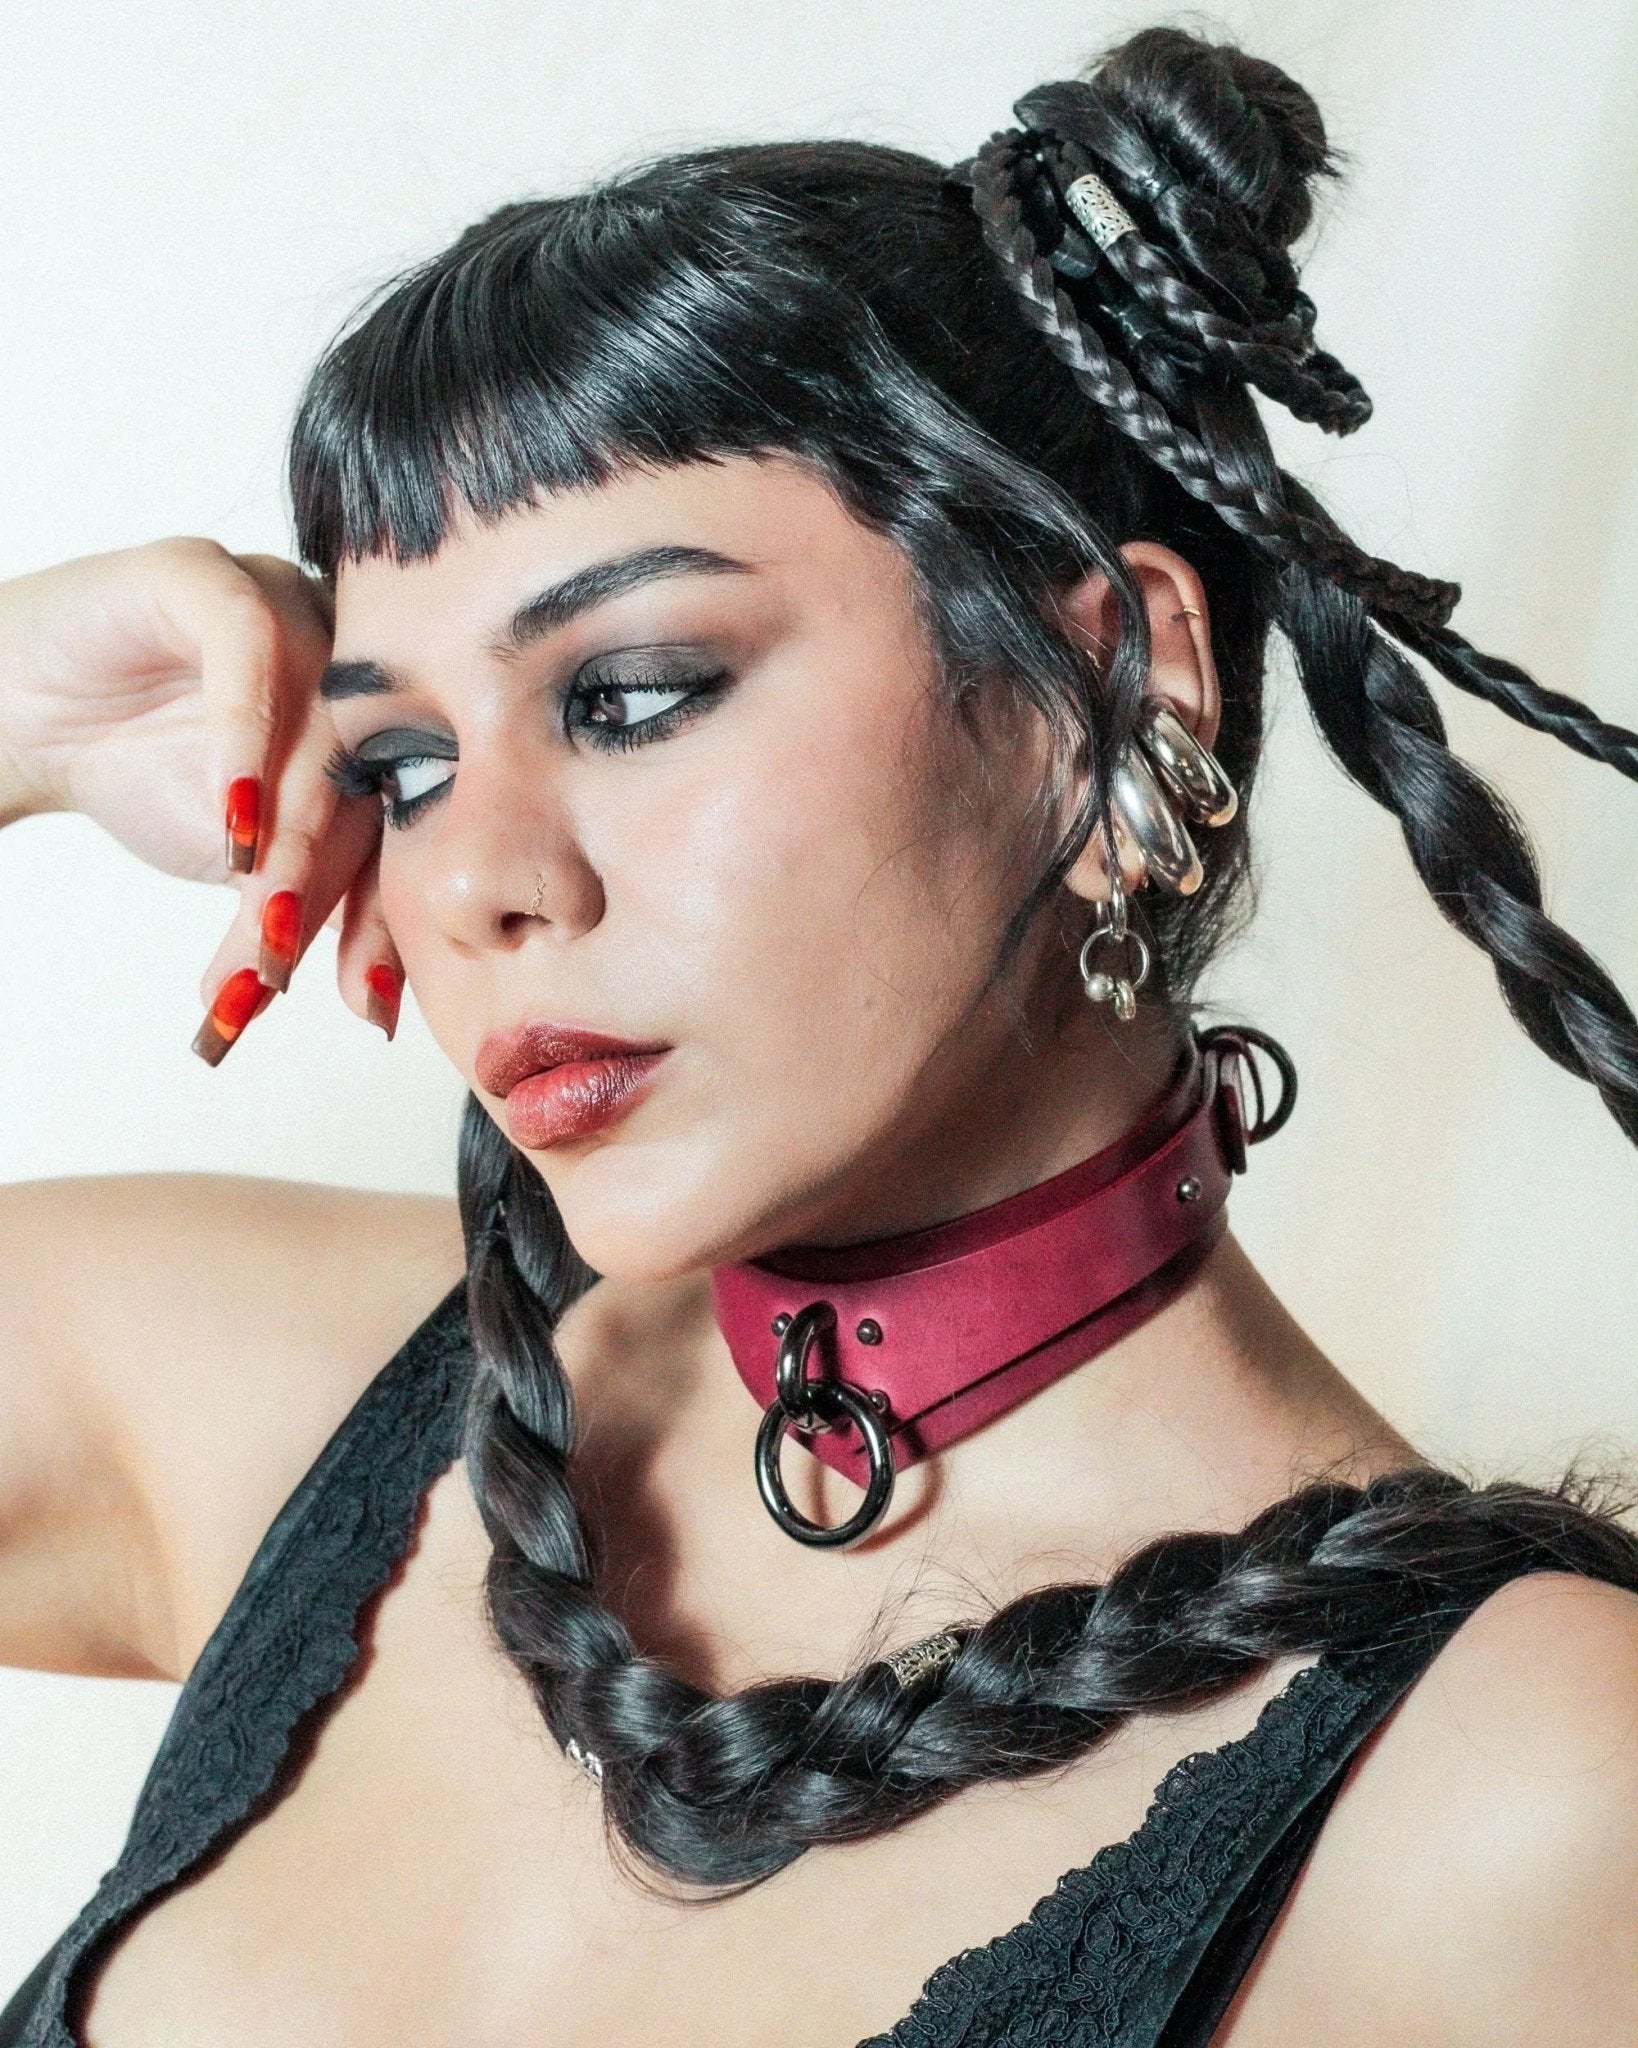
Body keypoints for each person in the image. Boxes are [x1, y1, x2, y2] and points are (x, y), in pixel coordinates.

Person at [3, 22, 1637, 2046]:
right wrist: (19, 717)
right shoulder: (281, 1407)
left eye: (629, 692)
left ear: (1101, 685)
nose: (468, 879)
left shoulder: (1532, 1795)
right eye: (403, 761)